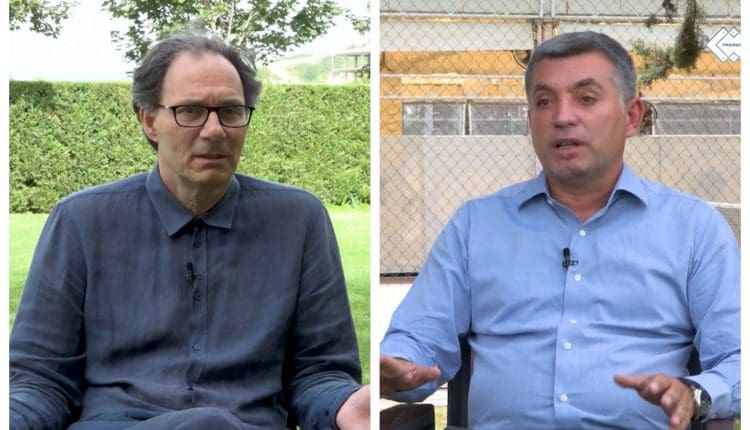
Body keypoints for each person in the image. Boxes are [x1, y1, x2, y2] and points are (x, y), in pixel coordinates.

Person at [380, 31, 739, 429]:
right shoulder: (475, 225)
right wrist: (399, 365)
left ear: (632, 117)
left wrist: (695, 394)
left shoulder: (693, 228)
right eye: (544, 101)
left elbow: (740, 357)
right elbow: (419, 337)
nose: (562, 117)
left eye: (586, 98)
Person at [10, 33, 369, 430]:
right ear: (149, 121)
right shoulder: (81, 220)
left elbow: (319, 373)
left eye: (230, 111)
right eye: (191, 111)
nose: (215, 130)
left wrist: (345, 405)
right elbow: (40, 380)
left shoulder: (298, 220)